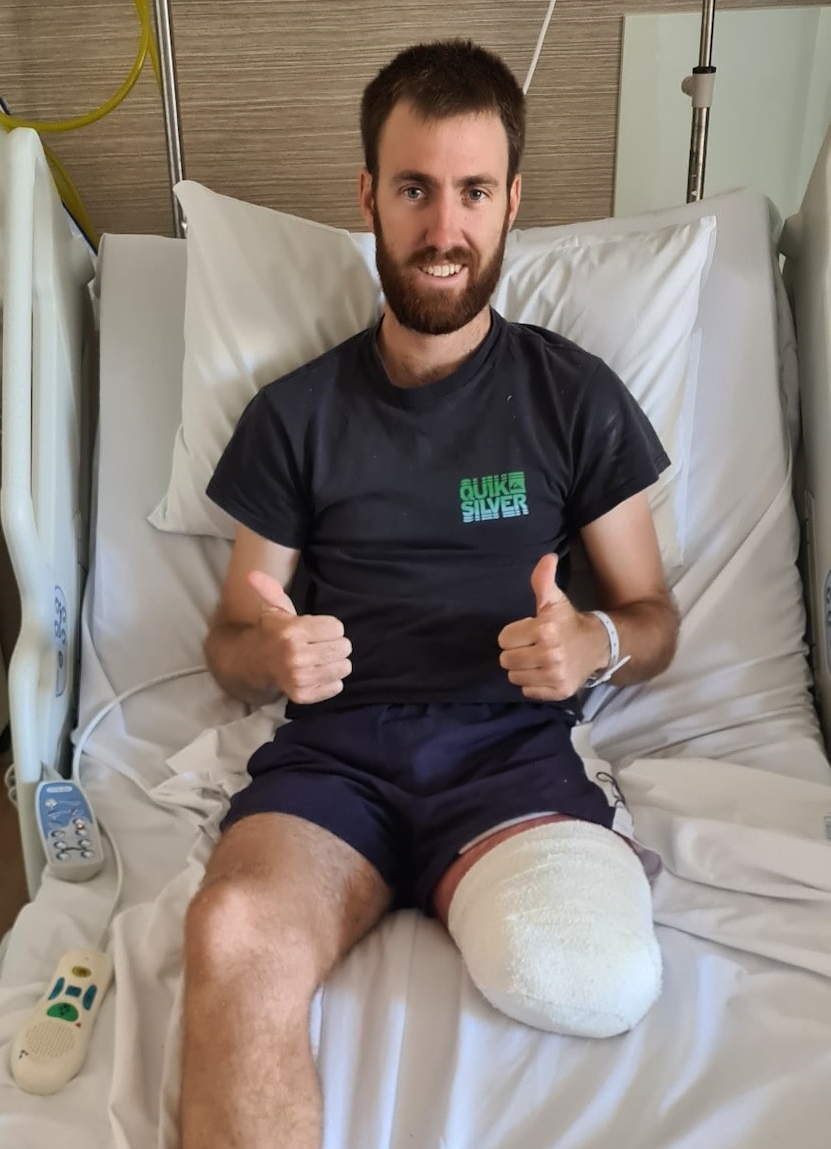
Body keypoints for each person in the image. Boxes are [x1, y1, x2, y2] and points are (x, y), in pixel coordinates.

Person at [178, 39, 679, 1149]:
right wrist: (273, 658)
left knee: (590, 976)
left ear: (511, 204)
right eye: (413, 189)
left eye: (471, 192)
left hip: (510, 758)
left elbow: (657, 621)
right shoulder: (292, 417)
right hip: (332, 767)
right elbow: (226, 638)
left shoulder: (574, 399)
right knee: (228, 938)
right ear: (368, 194)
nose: (442, 229)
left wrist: (591, 641)